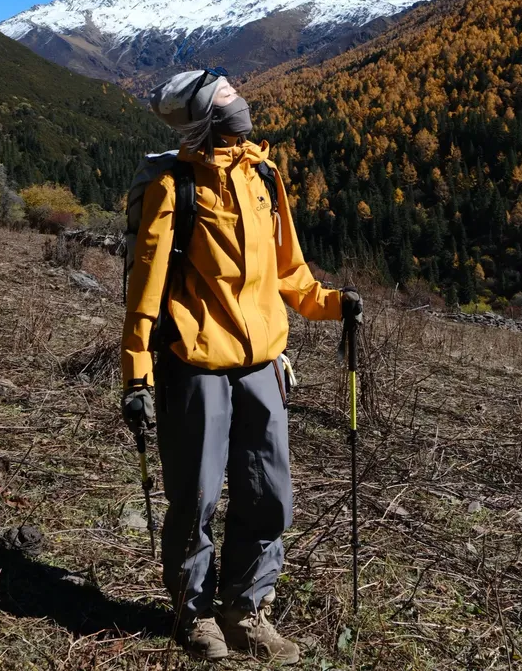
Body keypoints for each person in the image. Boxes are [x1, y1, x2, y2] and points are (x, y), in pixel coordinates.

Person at [121, 69, 363, 664]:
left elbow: (289, 271)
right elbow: (145, 289)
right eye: (225, 97)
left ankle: (247, 610)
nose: (240, 103)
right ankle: (194, 613)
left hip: (262, 364)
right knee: (196, 495)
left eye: (234, 92)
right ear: (204, 118)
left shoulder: (261, 175)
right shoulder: (175, 187)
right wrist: (136, 374)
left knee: (269, 493)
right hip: (197, 364)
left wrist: (331, 304)